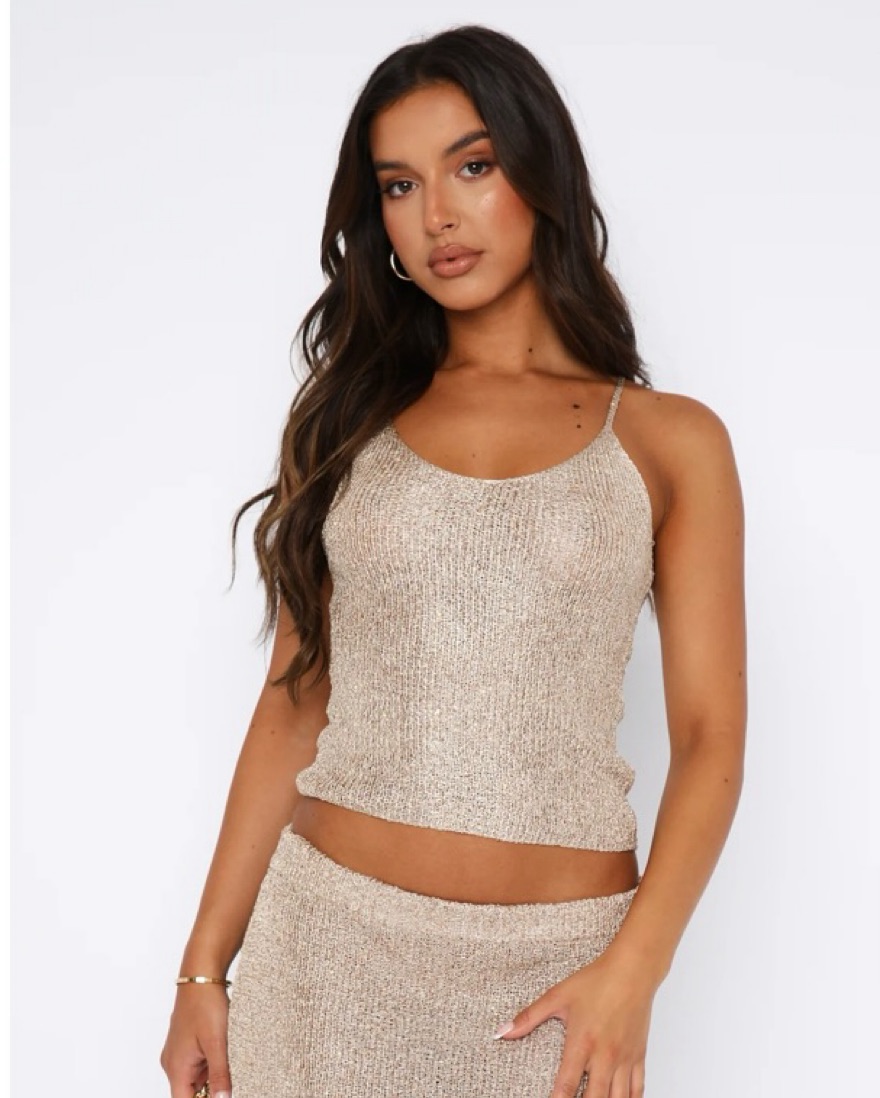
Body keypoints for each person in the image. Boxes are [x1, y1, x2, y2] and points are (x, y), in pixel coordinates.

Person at [159, 23, 746, 1098]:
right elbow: (293, 705)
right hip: (325, 961)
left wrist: (636, 971)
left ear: (540, 172)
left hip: (559, 981)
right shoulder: (346, 428)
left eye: (471, 167)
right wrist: (204, 968)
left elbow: (711, 735)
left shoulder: (670, 443)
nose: (435, 215)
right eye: (399, 184)